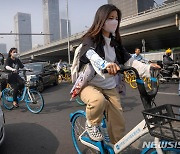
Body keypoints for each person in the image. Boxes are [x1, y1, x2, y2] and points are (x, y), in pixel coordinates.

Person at [72, 4, 160, 144]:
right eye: (110, 18)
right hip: (89, 85)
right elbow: (90, 54)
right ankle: (91, 123)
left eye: (116, 18)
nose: (114, 21)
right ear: (101, 19)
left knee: (118, 123)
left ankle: (117, 148)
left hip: (109, 86)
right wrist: (105, 65)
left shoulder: (116, 42)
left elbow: (129, 61)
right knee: (97, 101)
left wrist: (149, 68)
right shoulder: (90, 39)